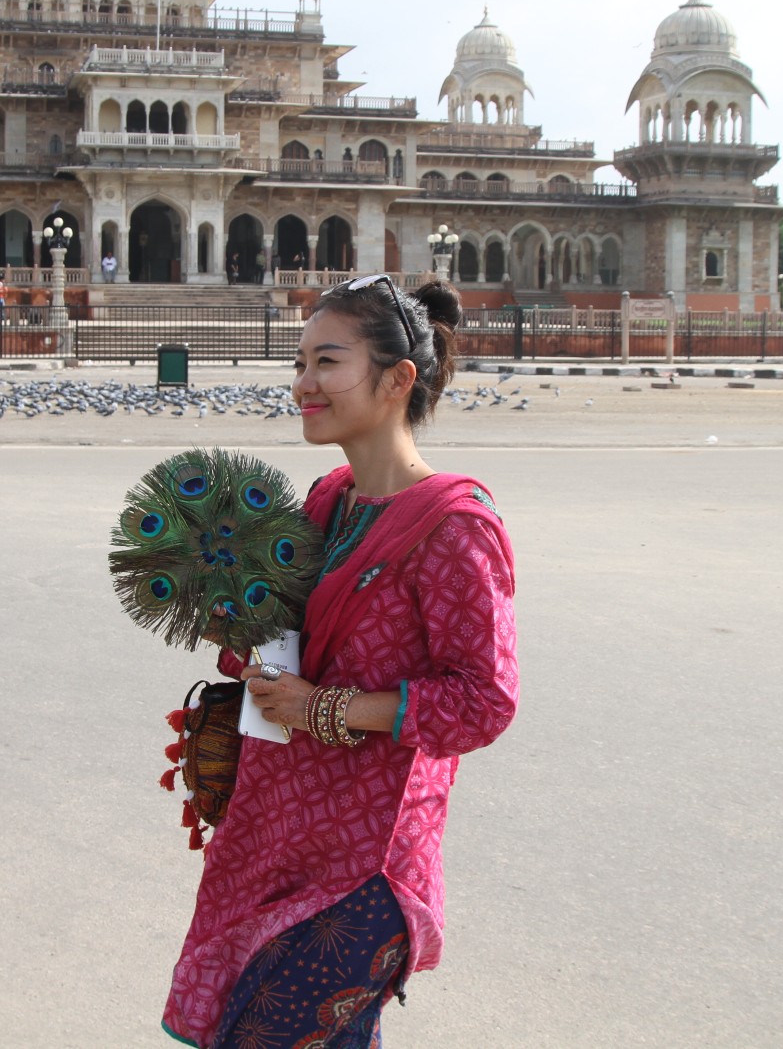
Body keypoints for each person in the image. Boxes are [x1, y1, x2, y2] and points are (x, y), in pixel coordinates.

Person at [163, 274, 519, 1048]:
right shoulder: (330, 498)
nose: (302, 384)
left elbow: (484, 701)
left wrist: (321, 707)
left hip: (367, 865)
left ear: (398, 379)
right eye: (299, 363)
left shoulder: (455, 526)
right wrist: (231, 611)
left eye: (326, 362)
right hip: (278, 836)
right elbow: (292, 641)